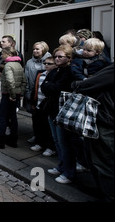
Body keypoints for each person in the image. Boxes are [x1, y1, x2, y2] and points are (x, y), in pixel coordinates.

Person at [42, 45, 85, 184]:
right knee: (57, 141)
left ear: (69, 58)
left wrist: (50, 86)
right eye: (56, 57)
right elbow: (45, 87)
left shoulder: (69, 71)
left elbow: (56, 88)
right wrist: (49, 86)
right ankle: (61, 166)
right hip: (52, 109)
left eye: (61, 56)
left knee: (65, 143)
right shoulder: (55, 71)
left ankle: (69, 172)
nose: (57, 59)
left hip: (64, 111)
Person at [73, 64, 114, 202]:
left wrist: (77, 83)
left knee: (103, 163)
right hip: (107, 120)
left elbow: (86, 85)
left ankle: (107, 195)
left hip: (107, 122)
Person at [0, 47, 26, 149]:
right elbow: (24, 81)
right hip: (15, 94)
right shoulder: (19, 64)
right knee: (13, 117)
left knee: (2, 117)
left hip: (8, 94)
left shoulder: (8, 65)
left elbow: (10, 81)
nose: (1, 56)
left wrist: (12, 95)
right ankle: (13, 140)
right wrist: (20, 93)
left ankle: (0, 141)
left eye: (3, 54)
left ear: (8, 55)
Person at [29, 56, 57, 156]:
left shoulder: (56, 75)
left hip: (49, 105)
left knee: (48, 127)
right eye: (45, 63)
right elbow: (35, 88)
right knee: (39, 125)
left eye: (49, 64)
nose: (46, 65)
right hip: (38, 103)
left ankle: (50, 147)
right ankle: (39, 142)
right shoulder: (40, 73)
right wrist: (33, 101)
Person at [24, 41, 52, 114]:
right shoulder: (29, 62)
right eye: (34, 49)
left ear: (44, 49)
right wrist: (27, 92)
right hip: (33, 93)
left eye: (37, 49)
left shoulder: (51, 61)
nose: (34, 51)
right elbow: (26, 78)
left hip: (45, 94)